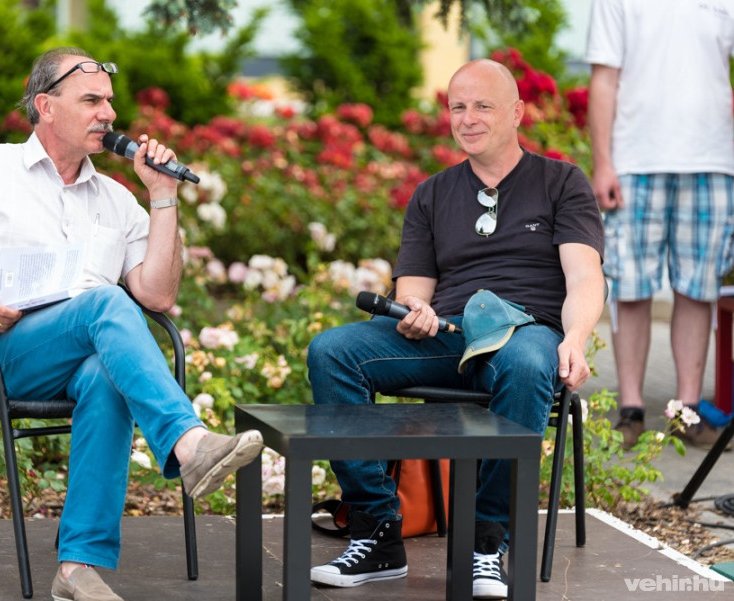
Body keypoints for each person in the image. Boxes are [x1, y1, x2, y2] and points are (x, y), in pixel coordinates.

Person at [0, 47, 263, 601]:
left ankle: (76, 568)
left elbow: (158, 294)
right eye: (91, 100)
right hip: (5, 355)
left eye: (109, 102)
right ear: (46, 106)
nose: (109, 114)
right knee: (106, 303)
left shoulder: (116, 198)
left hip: (81, 358)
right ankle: (189, 444)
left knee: (107, 375)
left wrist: (163, 197)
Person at [306, 59, 604, 599]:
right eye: (457, 107)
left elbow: (585, 276)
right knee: (332, 351)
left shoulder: (561, 182)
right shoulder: (433, 193)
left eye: (482, 106)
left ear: (517, 112)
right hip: (449, 333)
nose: (467, 118)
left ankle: (485, 542)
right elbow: (414, 287)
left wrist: (575, 341)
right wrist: (414, 310)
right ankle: (377, 529)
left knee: (528, 363)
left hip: (525, 331)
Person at [586, 0, 734, 451]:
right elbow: (603, 80)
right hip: (634, 161)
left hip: (712, 161)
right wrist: (603, 164)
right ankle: (631, 409)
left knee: (697, 290)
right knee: (631, 289)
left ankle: (685, 412)